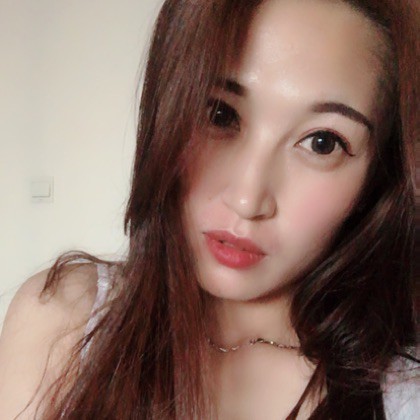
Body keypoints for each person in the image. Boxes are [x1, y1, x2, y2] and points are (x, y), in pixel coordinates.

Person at [0, 0, 418, 418]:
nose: (247, 199)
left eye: (322, 143)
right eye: (220, 114)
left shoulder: (403, 395)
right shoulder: (65, 322)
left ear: (376, 176)